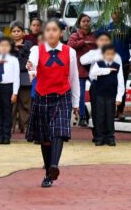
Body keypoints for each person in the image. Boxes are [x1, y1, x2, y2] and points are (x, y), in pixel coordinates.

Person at [26, 19, 80, 188]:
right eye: (47, 30)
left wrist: (76, 103)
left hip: (62, 95)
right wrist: (32, 69)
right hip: (42, 96)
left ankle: (54, 165)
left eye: (54, 30)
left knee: (58, 131)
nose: (51, 33)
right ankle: (48, 172)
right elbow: (32, 63)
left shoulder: (69, 52)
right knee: (45, 139)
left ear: (61, 32)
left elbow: (74, 78)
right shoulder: (36, 49)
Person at [79, 32, 119, 140]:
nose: (104, 42)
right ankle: (98, 135)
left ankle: (109, 135)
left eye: (106, 40)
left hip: (110, 86)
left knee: (109, 112)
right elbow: (82, 60)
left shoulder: (115, 55)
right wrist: (101, 56)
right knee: (97, 112)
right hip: (96, 85)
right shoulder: (94, 52)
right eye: (101, 40)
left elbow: (119, 73)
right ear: (97, 42)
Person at [98, 10, 131, 119]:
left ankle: (120, 111)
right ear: (111, 14)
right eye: (114, 12)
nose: (116, 15)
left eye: (119, 12)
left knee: (121, 87)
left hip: (123, 63)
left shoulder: (128, 30)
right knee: (109, 87)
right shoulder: (105, 28)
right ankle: (110, 111)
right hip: (108, 63)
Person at [88, 44, 125, 146]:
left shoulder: (117, 66)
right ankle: (99, 137)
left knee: (110, 116)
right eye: (107, 54)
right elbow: (93, 73)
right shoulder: (98, 64)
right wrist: (107, 70)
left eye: (112, 54)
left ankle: (110, 137)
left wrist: (119, 97)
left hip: (111, 95)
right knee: (100, 116)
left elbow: (121, 82)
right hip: (99, 95)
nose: (109, 56)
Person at [67, 13, 97, 126]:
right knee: (80, 95)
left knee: (96, 92)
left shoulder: (94, 35)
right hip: (79, 68)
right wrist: (83, 42)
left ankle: (96, 114)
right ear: (79, 23)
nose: (86, 23)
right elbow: (69, 46)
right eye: (83, 21)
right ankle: (82, 117)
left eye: (88, 21)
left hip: (93, 68)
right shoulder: (75, 35)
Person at [0, 37, 20, 145]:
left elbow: (16, 77)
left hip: (8, 87)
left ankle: (6, 136)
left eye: (6, 45)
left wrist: (15, 93)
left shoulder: (13, 60)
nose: (4, 48)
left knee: (7, 112)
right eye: (1, 45)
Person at [9, 21, 34, 134]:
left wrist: (21, 49)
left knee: (25, 102)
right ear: (10, 34)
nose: (16, 33)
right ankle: (11, 126)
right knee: (12, 104)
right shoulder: (7, 44)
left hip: (25, 76)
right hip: (10, 77)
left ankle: (25, 126)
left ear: (23, 33)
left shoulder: (29, 44)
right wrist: (14, 48)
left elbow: (30, 58)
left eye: (18, 31)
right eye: (14, 31)